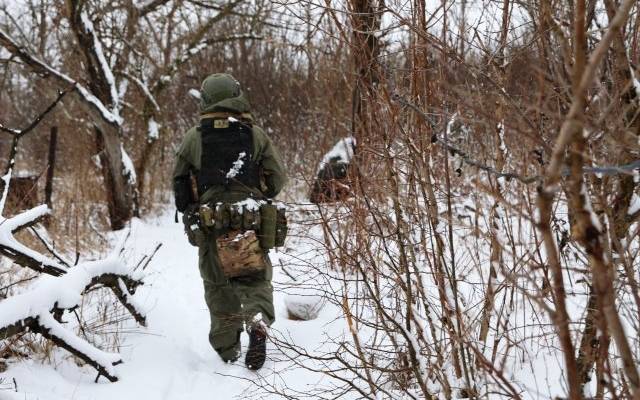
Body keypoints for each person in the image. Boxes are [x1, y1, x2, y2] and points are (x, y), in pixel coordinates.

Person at [172, 73, 286, 369]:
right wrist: (260, 192)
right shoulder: (255, 134)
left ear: (207, 100)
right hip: (249, 219)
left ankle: (227, 350)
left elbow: (179, 181)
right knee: (254, 278)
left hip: (211, 222)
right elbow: (278, 178)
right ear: (237, 96)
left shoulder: (194, 136)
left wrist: (191, 207)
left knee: (217, 283)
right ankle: (257, 324)